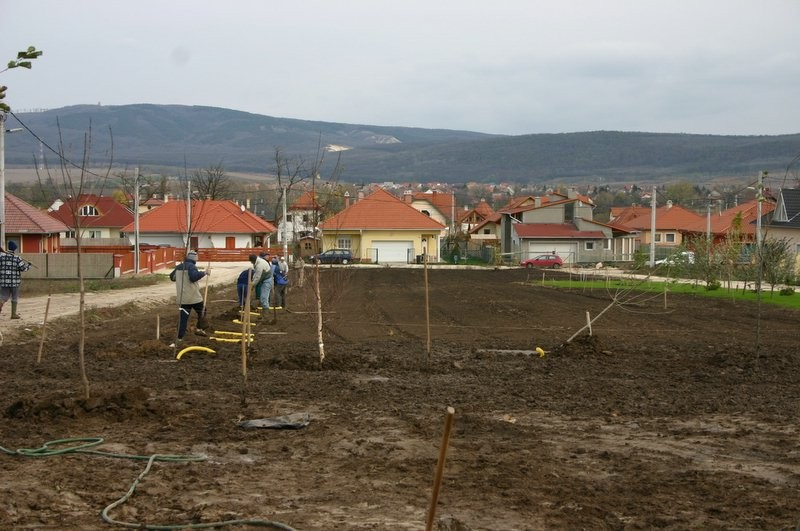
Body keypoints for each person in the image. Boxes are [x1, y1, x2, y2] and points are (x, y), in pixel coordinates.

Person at [169, 250, 210, 345]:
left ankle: (180, 337)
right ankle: (200, 328)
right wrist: (204, 273)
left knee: (183, 318)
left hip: (183, 298)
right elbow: (193, 277)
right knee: (202, 311)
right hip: (194, 297)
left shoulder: (179, 267)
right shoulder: (192, 266)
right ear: (194, 259)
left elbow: (172, 277)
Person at [0, 241, 32, 319]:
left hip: (4, 282)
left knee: (3, 297)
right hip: (15, 282)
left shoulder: (1, 257)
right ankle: (13, 314)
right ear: (15, 249)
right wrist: (29, 265)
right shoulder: (17, 258)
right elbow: (23, 269)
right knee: (14, 297)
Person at [249, 252, 273, 316]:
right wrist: (252, 282)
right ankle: (264, 313)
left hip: (267, 281)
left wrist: (252, 285)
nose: (251, 263)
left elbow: (257, 277)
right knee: (262, 298)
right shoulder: (258, 262)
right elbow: (255, 274)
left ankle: (266, 315)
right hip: (264, 280)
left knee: (263, 298)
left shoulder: (259, 265)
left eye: (251, 261)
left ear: (253, 260)